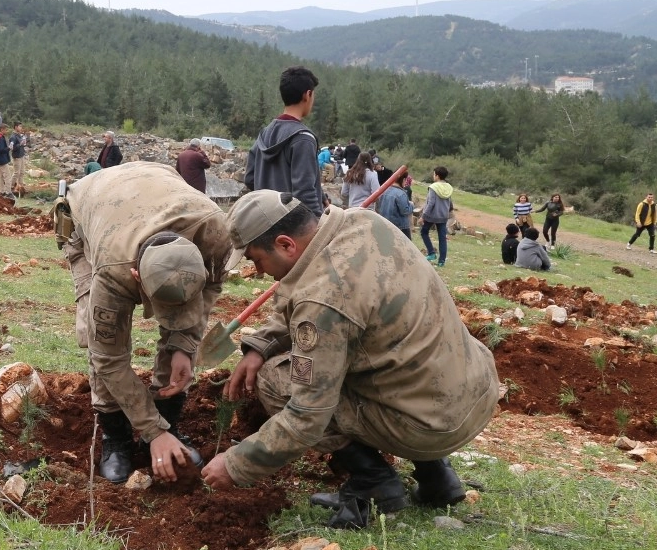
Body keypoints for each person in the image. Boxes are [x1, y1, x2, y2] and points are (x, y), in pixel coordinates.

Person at [200, 191, 499, 529]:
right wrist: (261, 344)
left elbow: (306, 415)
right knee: (380, 356)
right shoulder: (362, 222)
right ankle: (437, 476)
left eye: (256, 260)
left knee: (275, 380)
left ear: (285, 245)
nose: (259, 271)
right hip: (472, 390)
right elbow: (310, 295)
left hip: (428, 426)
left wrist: (237, 464)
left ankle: (373, 481)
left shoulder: (323, 299)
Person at [62, 162, 235, 484]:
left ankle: (169, 420)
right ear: (137, 278)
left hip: (152, 188)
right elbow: (109, 359)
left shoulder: (217, 236)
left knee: (182, 337)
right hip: (88, 211)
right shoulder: (114, 270)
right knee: (100, 338)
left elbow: (209, 288)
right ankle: (116, 437)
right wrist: (153, 430)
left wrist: (183, 345)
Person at [245, 66, 326, 216]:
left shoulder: (264, 134)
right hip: (293, 229)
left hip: (264, 221)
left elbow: (250, 178)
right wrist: (318, 225)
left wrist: (321, 195)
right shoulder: (303, 138)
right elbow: (304, 192)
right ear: (307, 95)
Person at [420, 166, 453, 267]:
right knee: (442, 238)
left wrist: (423, 216)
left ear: (437, 176)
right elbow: (450, 202)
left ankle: (431, 253)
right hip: (443, 216)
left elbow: (431, 203)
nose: (433, 176)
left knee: (424, 232)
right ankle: (441, 261)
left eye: (434, 174)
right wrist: (450, 211)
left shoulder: (433, 187)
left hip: (432, 215)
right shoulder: (448, 187)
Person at [376, 171, 413, 237]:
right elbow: (405, 211)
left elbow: (378, 206)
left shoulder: (384, 191)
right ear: (404, 179)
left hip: (385, 224)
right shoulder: (401, 194)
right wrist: (411, 205)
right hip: (400, 227)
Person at [9, 122, 27, 194]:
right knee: (16, 172)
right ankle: (10, 186)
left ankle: (20, 186)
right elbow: (12, 148)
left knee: (22, 172)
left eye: (21, 126)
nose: (21, 128)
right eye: (19, 126)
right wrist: (20, 144)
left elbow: (21, 144)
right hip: (17, 156)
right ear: (15, 127)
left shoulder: (19, 135)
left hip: (21, 155)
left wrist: (23, 143)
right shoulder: (13, 136)